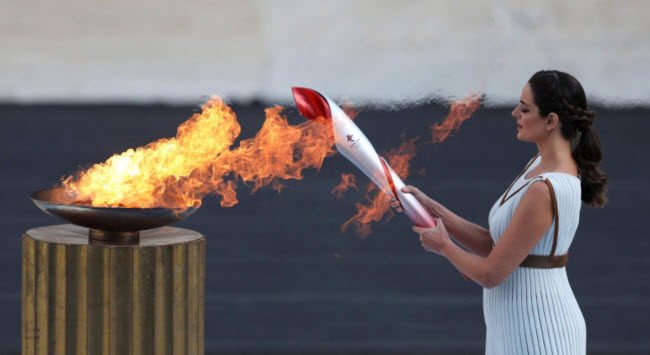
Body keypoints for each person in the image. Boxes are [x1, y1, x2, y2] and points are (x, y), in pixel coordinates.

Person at [393, 70, 608, 354]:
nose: (514, 112)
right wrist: (431, 209)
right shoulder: (537, 166)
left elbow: (491, 273)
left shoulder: (545, 189)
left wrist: (444, 246)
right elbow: (493, 244)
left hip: (540, 332)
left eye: (525, 108)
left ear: (551, 121)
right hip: (513, 327)